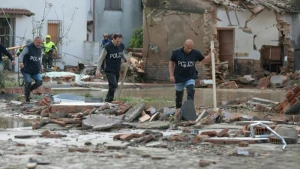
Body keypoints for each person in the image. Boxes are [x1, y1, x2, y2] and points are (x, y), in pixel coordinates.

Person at [169, 39, 214, 121]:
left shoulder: (195, 53)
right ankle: (178, 111)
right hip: (178, 77)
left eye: (191, 48)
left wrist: (211, 54)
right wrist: (171, 75)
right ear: (184, 46)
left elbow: (204, 60)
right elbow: (171, 63)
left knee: (190, 91)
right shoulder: (176, 52)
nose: (189, 50)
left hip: (190, 77)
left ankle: (189, 110)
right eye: (188, 48)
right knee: (179, 96)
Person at [95, 33, 126, 103]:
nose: (119, 43)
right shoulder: (107, 47)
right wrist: (98, 70)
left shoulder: (121, 46)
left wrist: (125, 58)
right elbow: (100, 59)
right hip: (109, 69)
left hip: (117, 68)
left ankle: (109, 100)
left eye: (120, 41)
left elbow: (122, 53)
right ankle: (108, 100)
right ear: (113, 39)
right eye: (117, 41)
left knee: (114, 86)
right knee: (113, 84)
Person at [19, 36, 43, 102]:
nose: (39, 44)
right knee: (28, 82)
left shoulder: (39, 49)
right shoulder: (28, 48)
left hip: (35, 70)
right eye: (38, 42)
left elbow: (39, 60)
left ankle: (28, 91)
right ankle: (27, 99)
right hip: (26, 70)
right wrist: (21, 62)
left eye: (41, 43)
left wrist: (40, 67)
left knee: (39, 82)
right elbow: (21, 55)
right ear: (34, 41)